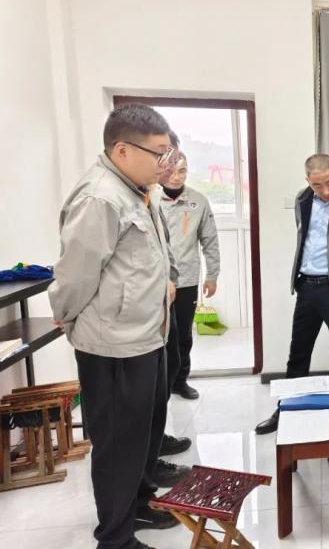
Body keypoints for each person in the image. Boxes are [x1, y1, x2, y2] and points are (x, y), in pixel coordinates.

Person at [49, 103, 184, 549]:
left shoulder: (138, 190)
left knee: (144, 433)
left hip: (145, 335)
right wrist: (67, 315)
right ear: (123, 150)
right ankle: (115, 537)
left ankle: (140, 502)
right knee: (118, 444)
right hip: (112, 345)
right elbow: (75, 276)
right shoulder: (100, 198)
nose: (165, 163)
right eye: (159, 153)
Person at [255, 153, 329, 435]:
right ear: (307, 181)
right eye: (317, 185)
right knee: (298, 352)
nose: (326, 191)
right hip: (307, 286)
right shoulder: (303, 199)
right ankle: (286, 409)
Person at [159, 133, 221, 401]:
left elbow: (210, 240)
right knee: (160, 337)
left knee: (183, 335)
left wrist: (212, 275)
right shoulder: (150, 199)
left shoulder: (198, 201)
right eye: (172, 171)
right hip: (156, 283)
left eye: (182, 171)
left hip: (186, 280)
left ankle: (180, 381)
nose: (176, 177)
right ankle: (160, 384)